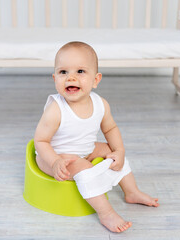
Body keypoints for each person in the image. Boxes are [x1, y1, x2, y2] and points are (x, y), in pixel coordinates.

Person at [34, 41, 159, 233]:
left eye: (80, 72)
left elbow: (110, 129)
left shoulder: (101, 104)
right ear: (54, 78)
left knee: (111, 151)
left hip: (84, 150)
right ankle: (106, 213)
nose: (71, 78)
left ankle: (131, 191)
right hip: (55, 156)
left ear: (96, 79)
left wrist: (120, 151)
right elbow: (41, 141)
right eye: (63, 72)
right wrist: (54, 161)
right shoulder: (55, 110)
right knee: (83, 166)